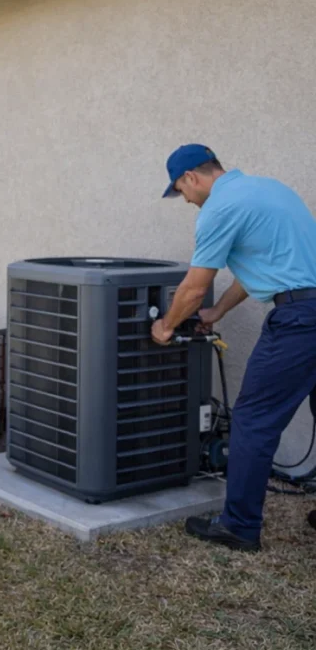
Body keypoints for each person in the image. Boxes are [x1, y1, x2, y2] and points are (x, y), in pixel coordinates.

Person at [150, 143, 316, 552]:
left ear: (192, 177)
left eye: (180, 190)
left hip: (299, 322)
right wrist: (217, 312)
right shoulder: (270, 190)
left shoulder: (218, 209)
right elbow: (261, 266)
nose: (185, 200)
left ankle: (239, 526)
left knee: (253, 420)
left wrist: (167, 325)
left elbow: (193, 286)